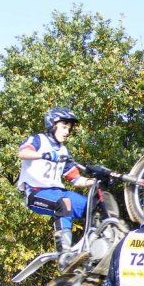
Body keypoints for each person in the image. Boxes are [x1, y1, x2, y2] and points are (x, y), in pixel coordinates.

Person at [17, 107, 95, 269]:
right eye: (64, 127)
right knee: (64, 203)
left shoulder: (64, 151)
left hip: (58, 192)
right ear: (52, 124)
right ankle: (64, 255)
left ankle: (94, 250)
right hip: (36, 193)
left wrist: (94, 182)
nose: (67, 132)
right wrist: (44, 155)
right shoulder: (38, 140)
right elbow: (23, 153)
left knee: (93, 206)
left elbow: (76, 180)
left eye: (69, 129)